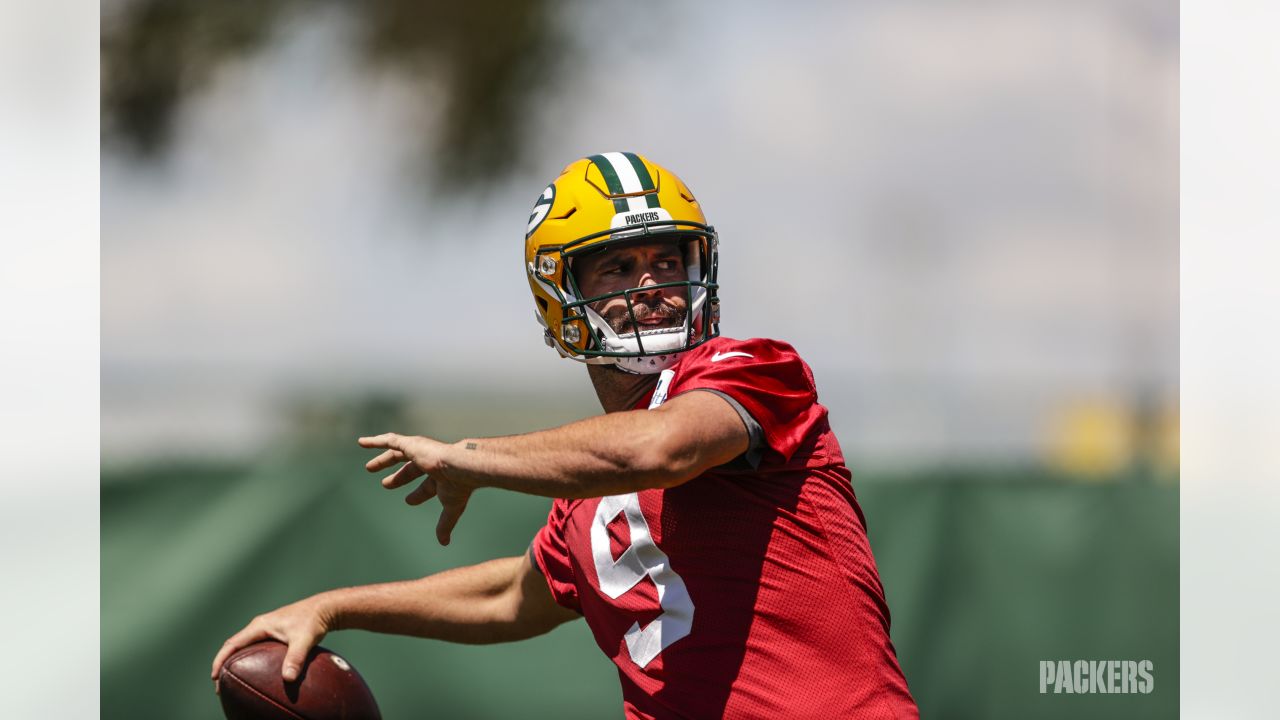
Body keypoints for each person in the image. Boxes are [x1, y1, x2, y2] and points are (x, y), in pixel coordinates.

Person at [211, 152, 919, 719]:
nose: (655, 286)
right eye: (619, 266)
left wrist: (472, 458)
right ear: (561, 295)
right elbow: (509, 599)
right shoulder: (583, 502)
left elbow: (656, 450)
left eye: (669, 261)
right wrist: (333, 606)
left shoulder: (754, 369)